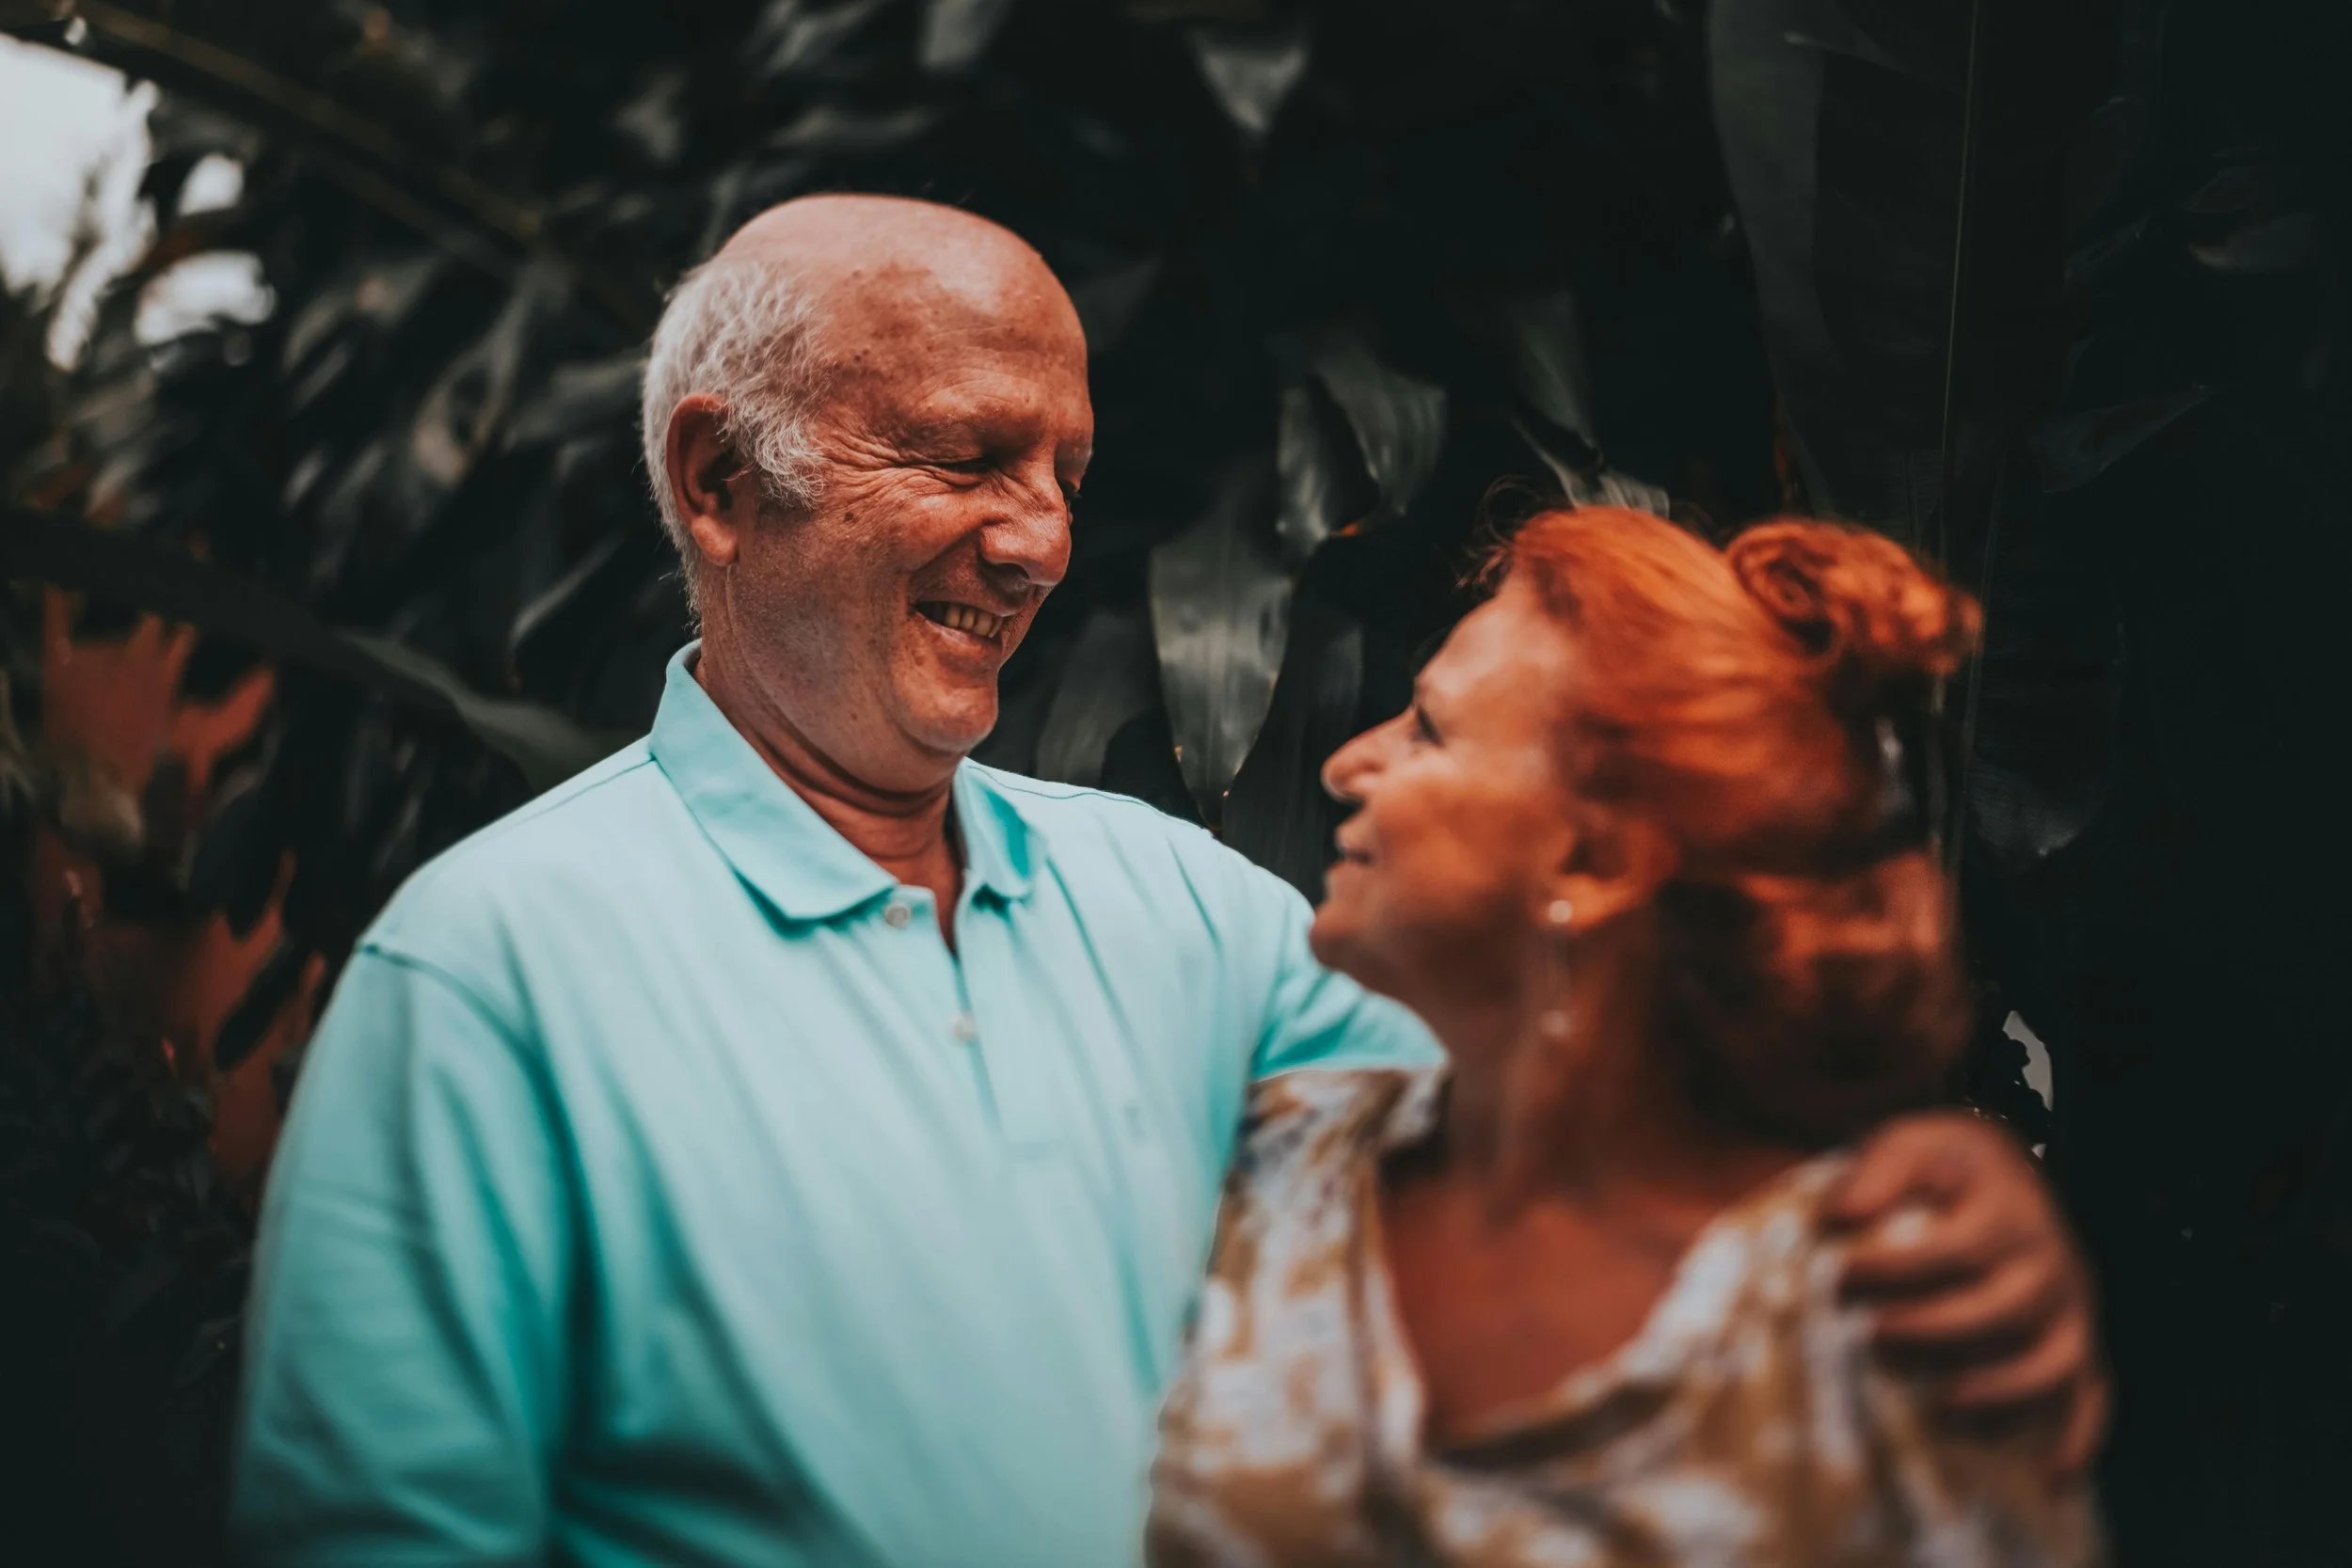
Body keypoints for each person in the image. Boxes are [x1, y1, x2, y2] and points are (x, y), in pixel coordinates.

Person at [230, 197, 2099, 1567]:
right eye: (968, 454)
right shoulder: (494, 971)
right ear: (721, 483)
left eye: (1064, 470)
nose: (1039, 539)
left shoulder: (1174, 902)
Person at [1150, 507, 2102, 1566]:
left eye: (1426, 728)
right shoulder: (1285, 1152)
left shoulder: (1871, 1343)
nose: (1343, 764)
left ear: (1595, 868)